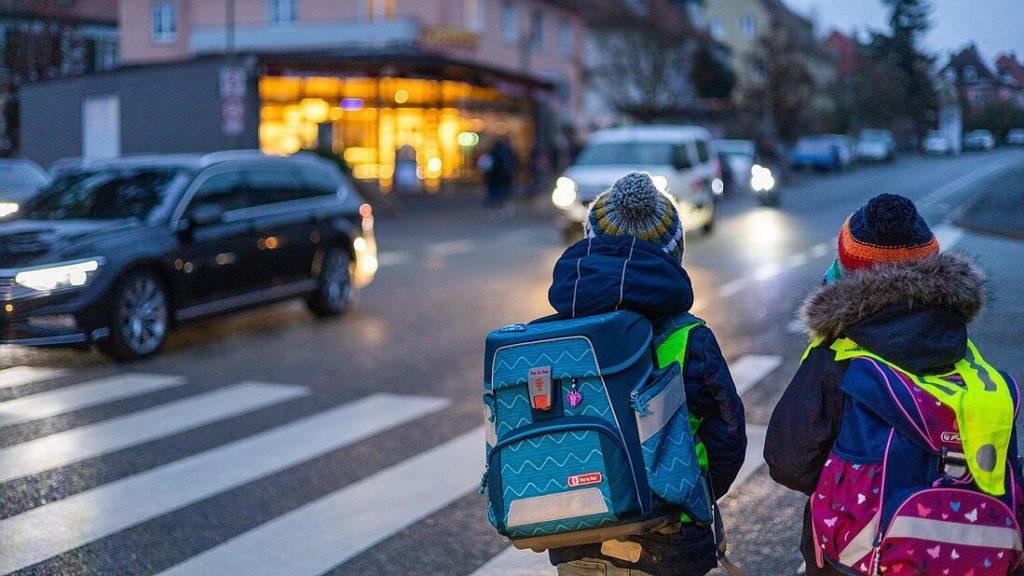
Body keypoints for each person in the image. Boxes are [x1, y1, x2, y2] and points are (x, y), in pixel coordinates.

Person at [764, 194, 1020, 575]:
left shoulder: (838, 356)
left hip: (858, 558)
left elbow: (788, 462)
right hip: (974, 558)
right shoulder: (968, 359)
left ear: (849, 271)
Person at [547, 172, 747, 576]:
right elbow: (727, 437)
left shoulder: (559, 333)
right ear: (674, 252)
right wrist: (692, 495)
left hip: (579, 532)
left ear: (590, 242)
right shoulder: (690, 337)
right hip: (671, 537)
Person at [480, 137, 518, 210]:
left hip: (493, 177)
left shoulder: (492, 153)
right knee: (503, 190)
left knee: (494, 190)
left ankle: (494, 203)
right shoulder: (509, 153)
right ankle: (500, 203)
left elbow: (485, 165)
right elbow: (514, 163)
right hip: (505, 176)